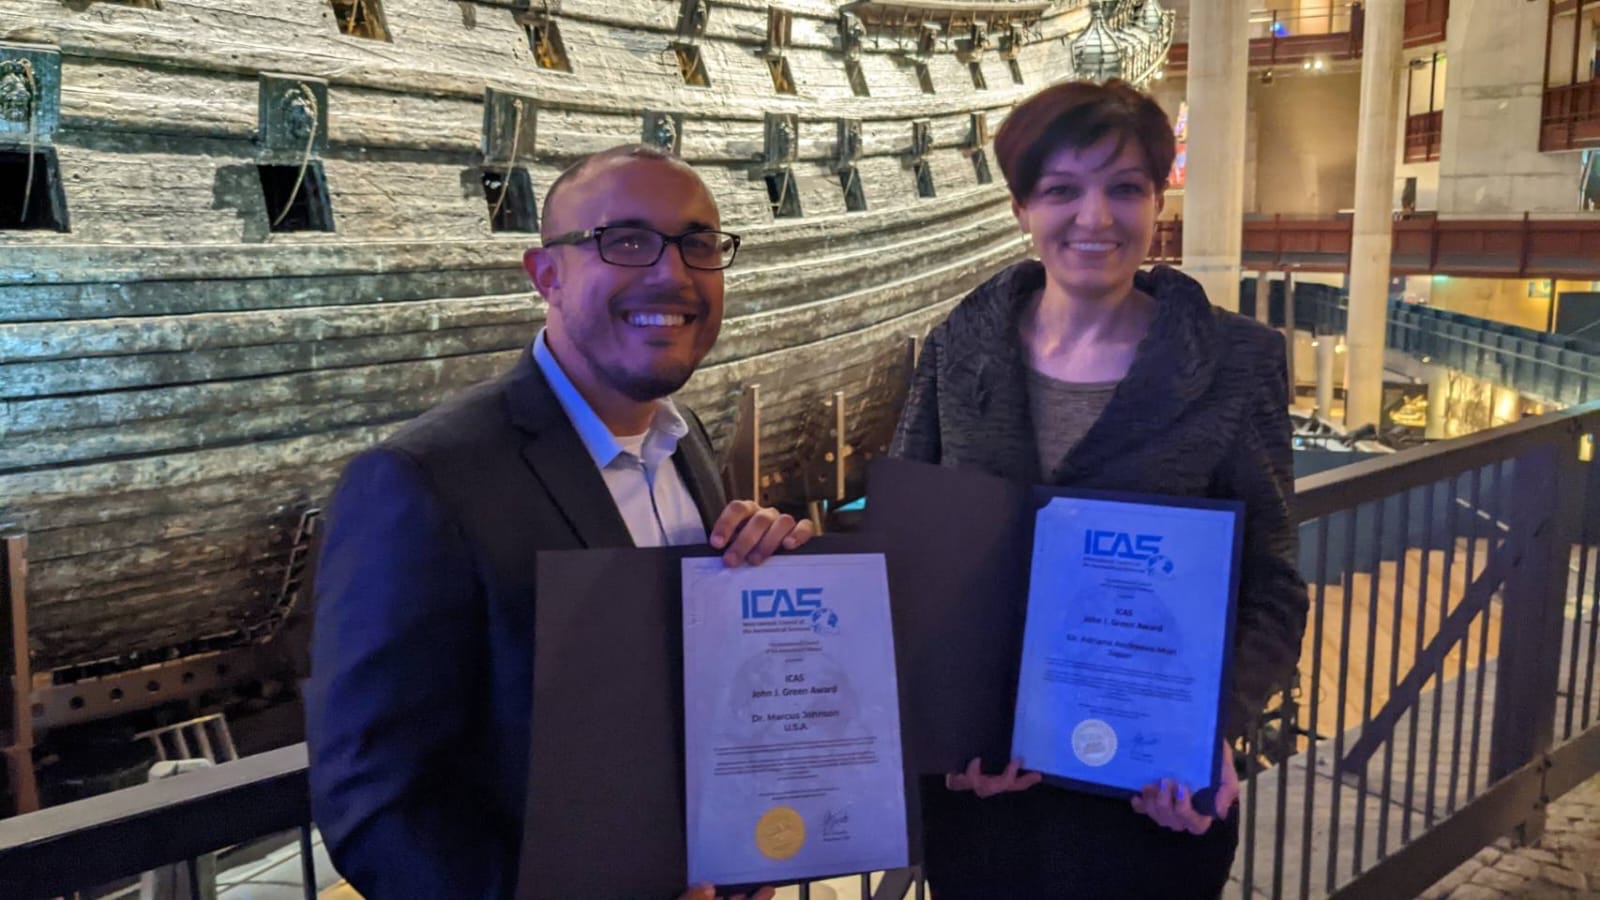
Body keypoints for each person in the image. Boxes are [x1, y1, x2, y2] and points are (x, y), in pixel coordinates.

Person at [306, 144, 804, 900]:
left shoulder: (685, 443)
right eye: (625, 241)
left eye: (698, 243)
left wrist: (765, 586)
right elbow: (375, 805)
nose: (672, 273)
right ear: (546, 275)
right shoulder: (420, 483)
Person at [889, 80, 1310, 897]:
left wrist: (1213, 731)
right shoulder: (957, 347)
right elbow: (910, 556)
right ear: (1021, 209)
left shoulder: (1236, 361)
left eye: (1124, 188)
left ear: (1158, 200)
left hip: (1148, 806)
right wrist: (942, 733)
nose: (1096, 218)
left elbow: (1275, 586)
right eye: (1061, 191)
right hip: (982, 796)